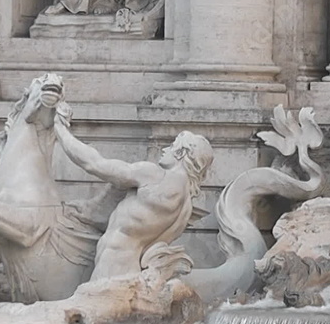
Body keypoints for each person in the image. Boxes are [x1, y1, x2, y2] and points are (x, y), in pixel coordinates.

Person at [54, 118, 213, 280]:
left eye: (172, 146)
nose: (165, 149)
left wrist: (60, 130)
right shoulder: (186, 209)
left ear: (181, 153)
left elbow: (95, 164)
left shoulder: (156, 176)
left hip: (112, 270)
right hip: (133, 272)